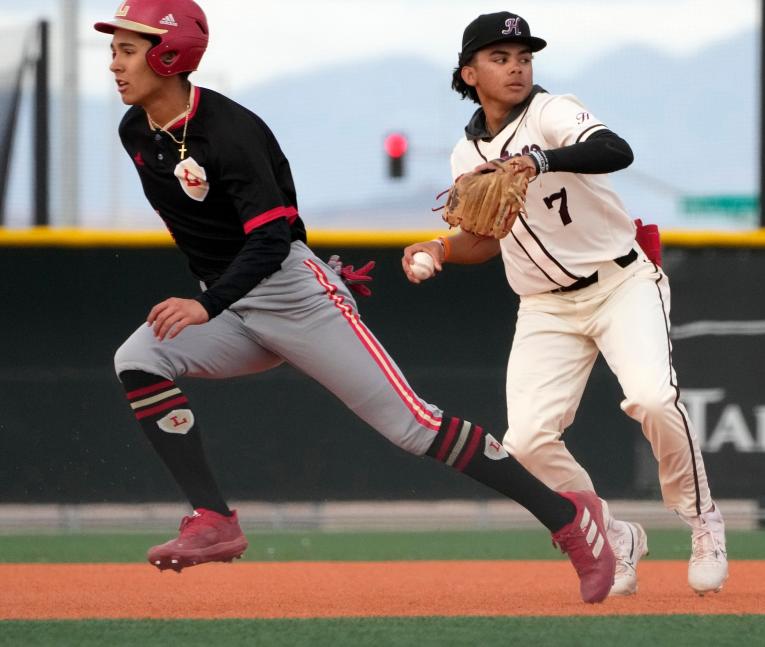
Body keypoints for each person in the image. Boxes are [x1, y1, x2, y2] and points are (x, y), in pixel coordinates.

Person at [95, 0, 616, 604]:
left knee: (413, 426)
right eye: (115, 50)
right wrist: (230, 297)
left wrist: (292, 281)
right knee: (139, 358)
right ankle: (215, 519)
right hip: (235, 300)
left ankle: (569, 517)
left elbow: (271, 236)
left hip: (292, 299)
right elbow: (210, 234)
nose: (114, 64)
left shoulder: (230, 131)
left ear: (169, 53)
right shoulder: (137, 131)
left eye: (127, 49)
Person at [402, 11, 728, 596]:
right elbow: (483, 237)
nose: (517, 66)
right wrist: (439, 248)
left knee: (653, 399)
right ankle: (613, 532)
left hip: (621, 282)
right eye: (500, 58)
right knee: (524, 442)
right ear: (468, 73)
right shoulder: (464, 155)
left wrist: (540, 159)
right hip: (545, 308)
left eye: (524, 56)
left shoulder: (552, 112)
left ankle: (701, 519)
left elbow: (614, 149)